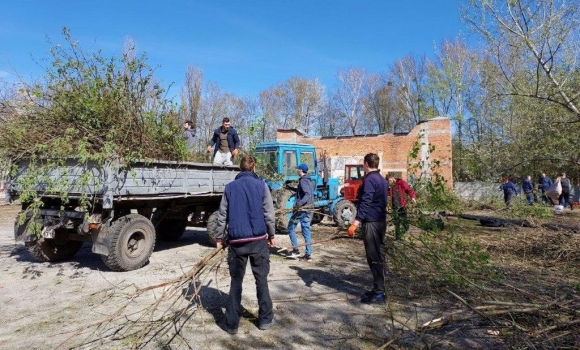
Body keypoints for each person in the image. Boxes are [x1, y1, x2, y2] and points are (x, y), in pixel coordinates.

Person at [214, 154, 276, 334]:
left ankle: (231, 324)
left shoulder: (230, 188)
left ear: (240, 169)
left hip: (237, 243)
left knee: (236, 282)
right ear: (253, 168)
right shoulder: (262, 186)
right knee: (261, 280)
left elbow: (222, 216)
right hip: (258, 242)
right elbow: (269, 213)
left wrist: (219, 238)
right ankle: (265, 320)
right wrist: (271, 235)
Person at [347, 153, 389, 304]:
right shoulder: (382, 179)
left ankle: (379, 293)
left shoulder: (370, 179)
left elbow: (365, 202)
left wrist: (355, 223)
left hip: (371, 222)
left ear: (366, 164)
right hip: (380, 221)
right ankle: (379, 288)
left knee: (374, 257)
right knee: (379, 255)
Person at [286, 163, 314, 261]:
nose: (297, 170)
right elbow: (304, 191)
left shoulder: (303, 181)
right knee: (306, 230)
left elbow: (307, 195)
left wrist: (299, 204)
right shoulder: (308, 180)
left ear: (301, 170)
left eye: (298, 169)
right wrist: (291, 188)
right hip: (308, 208)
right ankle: (308, 254)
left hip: (302, 209)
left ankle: (295, 251)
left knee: (290, 227)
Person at [387, 174, 417, 240]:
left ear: (393, 178)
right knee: (397, 224)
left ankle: (400, 234)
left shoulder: (401, 183)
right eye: (388, 181)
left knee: (406, 225)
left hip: (402, 207)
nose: (389, 182)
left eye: (390, 180)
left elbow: (409, 190)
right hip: (395, 208)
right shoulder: (390, 187)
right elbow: (387, 194)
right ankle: (397, 238)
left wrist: (413, 197)